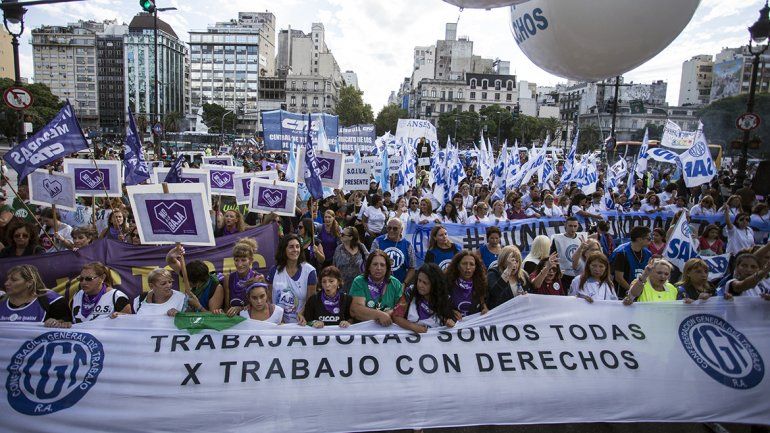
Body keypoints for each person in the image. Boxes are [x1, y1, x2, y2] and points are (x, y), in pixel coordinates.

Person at [266, 234, 317, 324]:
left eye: (297, 247)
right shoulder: (274, 270)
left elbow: (310, 301)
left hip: (300, 323)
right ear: (284, 249)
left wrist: (301, 315)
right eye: (291, 247)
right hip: (277, 323)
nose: (295, 250)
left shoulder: (310, 271)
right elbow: (269, 298)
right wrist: (277, 317)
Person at [393, 263, 456, 332]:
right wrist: (414, 327)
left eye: (425, 283)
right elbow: (396, 317)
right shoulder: (410, 292)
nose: (420, 285)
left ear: (434, 284)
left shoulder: (445, 298)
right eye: (419, 280)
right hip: (411, 337)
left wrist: (449, 322)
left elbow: (451, 319)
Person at [209, 238, 264, 316]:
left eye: (243, 260)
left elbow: (262, 307)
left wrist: (240, 309)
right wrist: (220, 313)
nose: (239, 264)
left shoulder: (258, 278)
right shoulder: (228, 279)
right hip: (234, 321)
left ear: (251, 260)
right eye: (236, 260)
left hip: (252, 321)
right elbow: (227, 307)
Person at [1, 265, 70, 326]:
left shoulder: (52, 300)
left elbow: (68, 323)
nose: (6, 283)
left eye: (14, 280)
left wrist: (57, 322)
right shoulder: (1, 301)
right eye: (8, 279)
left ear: (29, 282)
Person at [349, 250, 403, 326]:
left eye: (382, 265)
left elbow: (402, 309)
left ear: (387, 268)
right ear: (368, 267)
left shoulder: (395, 283)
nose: (378, 268)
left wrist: (389, 313)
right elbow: (356, 310)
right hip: (363, 330)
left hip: (388, 330)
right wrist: (379, 315)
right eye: (375, 264)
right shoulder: (359, 281)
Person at [133, 268, 200, 316]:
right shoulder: (140, 299)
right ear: (151, 286)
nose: (169, 285)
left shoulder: (182, 299)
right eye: (163, 283)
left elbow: (193, 322)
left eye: (170, 282)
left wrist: (180, 316)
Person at [371, 218, 416, 285]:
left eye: (395, 228)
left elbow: (412, 268)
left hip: (399, 286)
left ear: (401, 230)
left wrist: (404, 284)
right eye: (389, 228)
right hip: (379, 285)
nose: (391, 230)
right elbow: (370, 262)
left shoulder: (408, 245)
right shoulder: (377, 241)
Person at [610, 225, 652, 298]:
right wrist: (633, 291)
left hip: (641, 294)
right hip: (622, 294)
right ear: (639, 239)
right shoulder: (621, 253)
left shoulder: (648, 253)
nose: (651, 240)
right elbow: (619, 278)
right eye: (648, 238)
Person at [446, 250, 488, 318]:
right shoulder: (447, 283)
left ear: (475, 267)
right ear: (458, 266)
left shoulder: (480, 284)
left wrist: (484, 309)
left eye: (471, 264)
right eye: (464, 263)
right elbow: (439, 305)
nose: (468, 267)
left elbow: (483, 304)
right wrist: (450, 312)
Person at [550, 217, 584, 289]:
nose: (573, 228)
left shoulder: (582, 237)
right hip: (564, 275)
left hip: (580, 274)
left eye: (575, 226)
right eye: (570, 226)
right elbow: (553, 257)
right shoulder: (557, 239)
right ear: (565, 225)